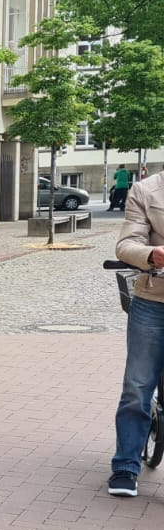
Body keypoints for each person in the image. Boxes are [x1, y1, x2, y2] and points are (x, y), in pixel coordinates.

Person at [110, 171, 164, 497]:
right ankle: (126, 465)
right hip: (154, 300)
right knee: (137, 386)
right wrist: (151, 254)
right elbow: (126, 244)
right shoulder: (147, 190)